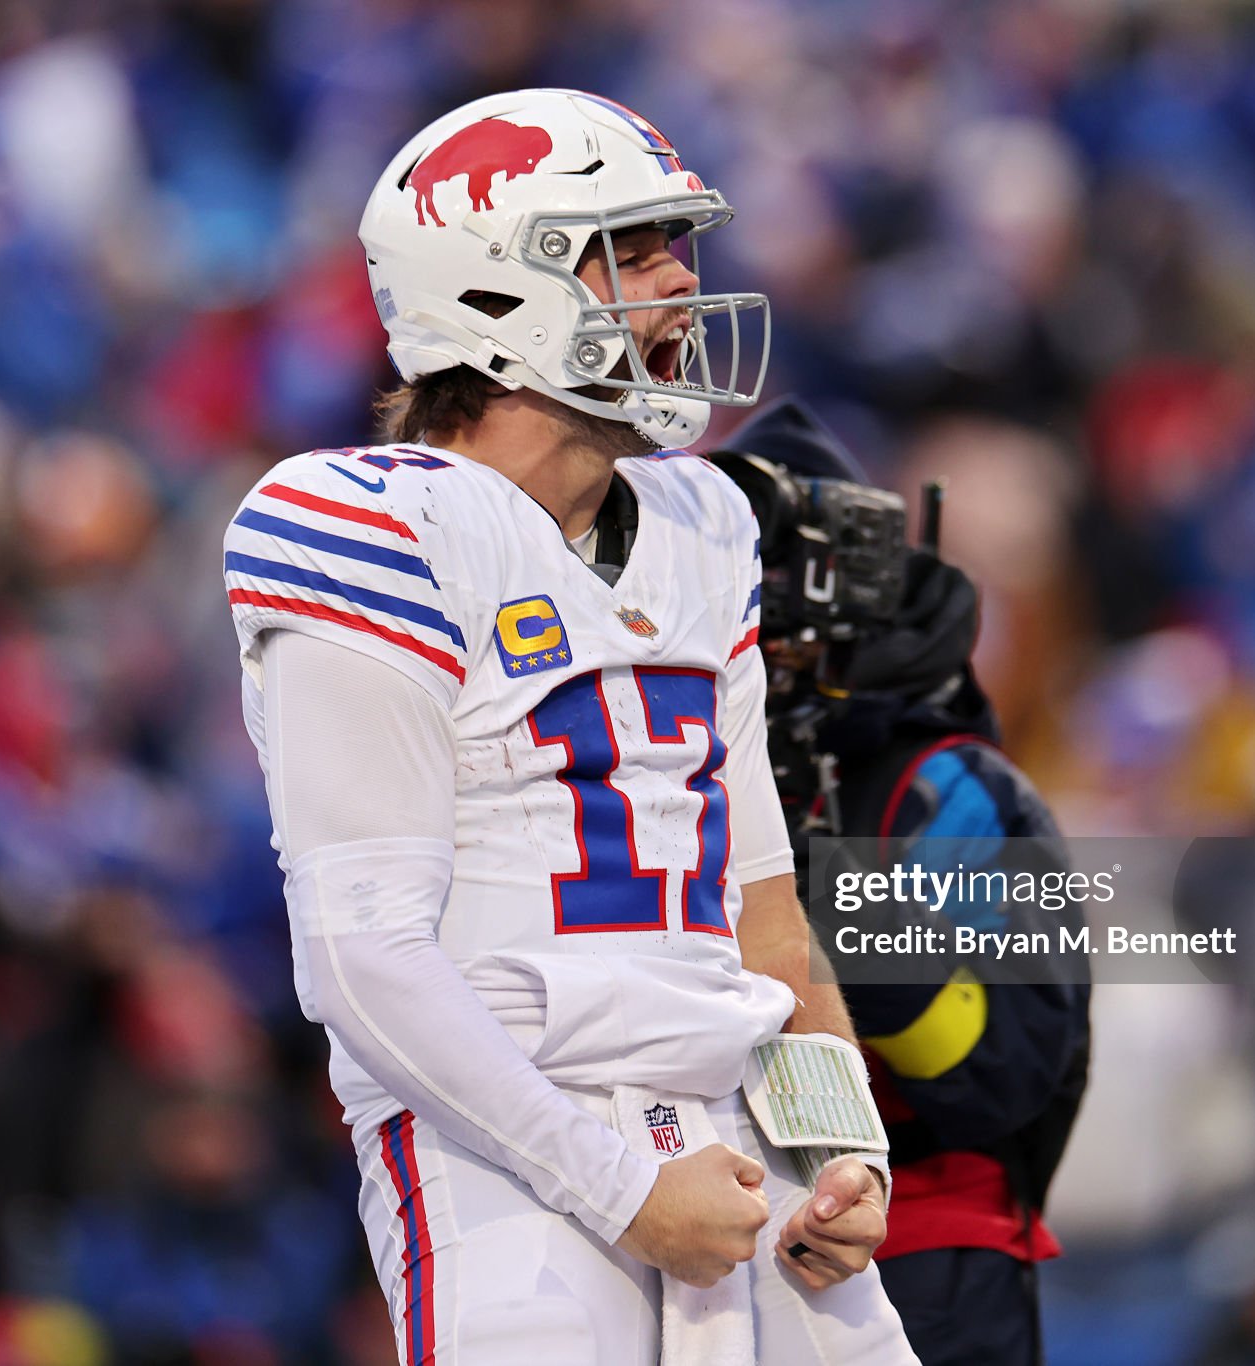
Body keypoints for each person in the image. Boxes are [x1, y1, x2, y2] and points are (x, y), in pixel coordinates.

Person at [221, 91, 916, 1364]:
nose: (678, 285)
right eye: (635, 249)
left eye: (677, 245)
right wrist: (616, 1187)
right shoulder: (366, 524)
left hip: (740, 1139)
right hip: (509, 1156)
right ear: (497, 290)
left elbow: (758, 904)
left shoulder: (704, 521)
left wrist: (844, 1147)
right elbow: (358, 954)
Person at [714, 399, 1092, 1366]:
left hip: (929, 1258)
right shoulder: (663, 776)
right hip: (723, 1251)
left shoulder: (954, 793)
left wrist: (818, 899)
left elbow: (1005, 1070)